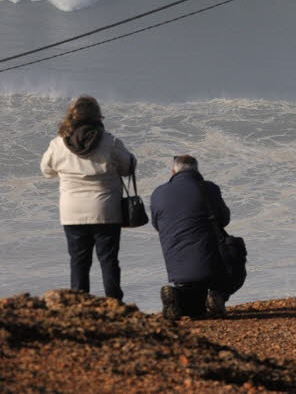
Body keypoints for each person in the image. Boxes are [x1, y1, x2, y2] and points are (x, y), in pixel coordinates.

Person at [41, 95, 136, 301]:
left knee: (78, 260)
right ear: (97, 116)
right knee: (108, 260)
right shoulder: (110, 141)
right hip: (106, 210)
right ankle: (114, 303)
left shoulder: (58, 144)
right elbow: (128, 167)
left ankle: (78, 304)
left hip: (72, 211)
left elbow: (46, 170)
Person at [150, 154, 230, 319]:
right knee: (236, 253)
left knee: (195, 310)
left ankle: (176, 294)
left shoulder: (158, 193)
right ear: (197, 170)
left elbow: (157, 225)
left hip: (177, 266)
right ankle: (218, 294)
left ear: (173, 172)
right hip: (209, 263)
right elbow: (224, 219)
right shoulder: (209, 189)